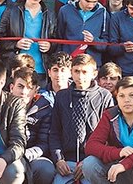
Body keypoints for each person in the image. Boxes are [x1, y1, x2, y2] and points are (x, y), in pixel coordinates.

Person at [49, 54, 114, 184]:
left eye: (84, 72)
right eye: (76, 71)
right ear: (71, 72)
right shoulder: (61, 96)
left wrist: (88, 160)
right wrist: (58, 159)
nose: (80, 76)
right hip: (66, 162)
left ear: (94, 73)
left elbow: (109, 136)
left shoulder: (104, 96)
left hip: (93, 161)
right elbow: (54, 132)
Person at [83, 77, 133, 184]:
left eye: (132, 95)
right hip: (115, 168)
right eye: (121, 96)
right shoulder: (110, 115)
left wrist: (125, 164)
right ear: (116, 98)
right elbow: (91, 145)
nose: (126, 100)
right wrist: (119, 152)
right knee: (89, 163)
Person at [0, 0, 56, 76]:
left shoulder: (50, 14)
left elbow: (57, 40)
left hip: (42, 70)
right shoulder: (11, 11)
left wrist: (50, 46)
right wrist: (16, 44)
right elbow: (0, 40)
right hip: (17, 68)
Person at [9, 67, 56, 184]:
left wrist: (24, 155)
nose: (24, 92)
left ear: (36, 91)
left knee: (46, 168)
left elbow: (44, 144)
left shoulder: (44, 109)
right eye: (20, 86)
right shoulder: (1, 106)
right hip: (4, 154)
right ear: (11, 87)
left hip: (29, 156)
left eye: (29, 88)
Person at [57, 0, 110, 67]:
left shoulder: (104, 13)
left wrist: (93, 41)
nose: (90, 5)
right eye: (87, 1)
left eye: (95, 2)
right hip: (68, 63)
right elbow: (59, 38)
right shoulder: (65, 10)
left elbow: (106, 44)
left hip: (92, 65)